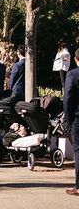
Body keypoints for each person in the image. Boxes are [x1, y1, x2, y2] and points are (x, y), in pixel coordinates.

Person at [63, 49, 79, 196]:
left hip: (77, 117)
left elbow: (67, 98)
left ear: (76, 59)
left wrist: (68, 118)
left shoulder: (73, 74)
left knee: (78, 150)